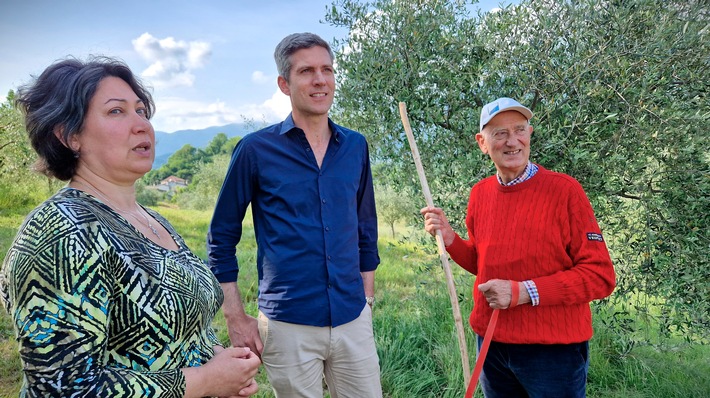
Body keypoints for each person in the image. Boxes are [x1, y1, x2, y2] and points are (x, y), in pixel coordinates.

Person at [0, 56, 261, 397]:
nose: (142, 125)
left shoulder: (150, 218)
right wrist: (207, 381)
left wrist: (219, 359)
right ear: (69, 135)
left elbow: (179, 328)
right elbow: (63, 388)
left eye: (140, 110)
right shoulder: (63, 230)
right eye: (116, 111)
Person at [207, 32, 382, 397]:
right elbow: (221, 238)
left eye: (327, 69)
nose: (320, 80)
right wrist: (235, 316)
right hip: (288, 324)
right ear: (284, 84)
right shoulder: (255, 151)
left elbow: (366, 225)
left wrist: (366, 297)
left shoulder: (355, 146)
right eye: (306, 71)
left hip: (353, 317)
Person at [421, 97, 616, 397]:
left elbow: (599, 276)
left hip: (553, 354)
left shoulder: (565, 192)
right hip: (491, 344)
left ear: (529, 133)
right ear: (482, 143)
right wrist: (450, 238)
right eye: (499, 133)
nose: (512, 142)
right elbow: (482, 262)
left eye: (519, 130)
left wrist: (523, 292)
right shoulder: (480, 194)